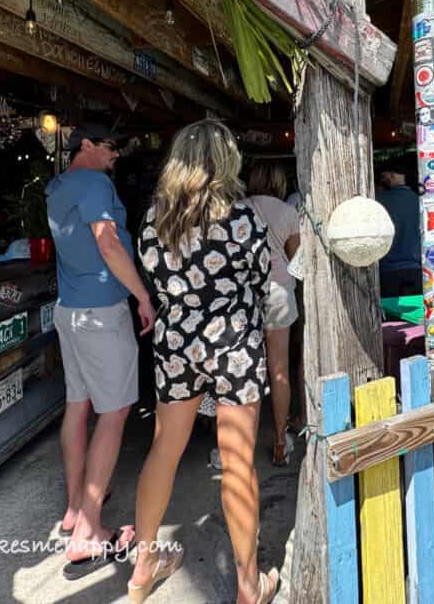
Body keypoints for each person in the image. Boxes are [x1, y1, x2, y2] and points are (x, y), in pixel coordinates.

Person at [131, 120, 278, 604]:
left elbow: (151, 272)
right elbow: (261, 277)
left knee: (164, 450)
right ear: (224, 160)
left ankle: (142, 568)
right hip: (233, 338)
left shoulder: (155, 220)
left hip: (176, 341)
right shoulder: (242, 218)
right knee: (238, 462)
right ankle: (248, 585)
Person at [46, 123, 154, 578]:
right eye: (111, 146)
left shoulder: (56, 186)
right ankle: (88, 533)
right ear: (86, 145)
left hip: (69, 310)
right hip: (101, 312)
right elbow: (107, 242)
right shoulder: (94, 182)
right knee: (114, 413)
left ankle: (75, 508)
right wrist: (143, 296)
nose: (117, 154)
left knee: (78, 405)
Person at [242, 161, 300, 466]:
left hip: (243, 295)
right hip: (278, 293)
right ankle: (280, 441)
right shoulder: (287, 212)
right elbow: (296, 258)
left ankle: (240, 447)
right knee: (279, 370)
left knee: (244, 370)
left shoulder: (236, 208)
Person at [376, 161, 421, 297]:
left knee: (391, 316)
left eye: (383, 177)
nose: (383, 180)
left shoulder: (378, 201)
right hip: (416, 270)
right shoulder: (420, 200)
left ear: (391, 175)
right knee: (415, 316)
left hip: (387, 271)